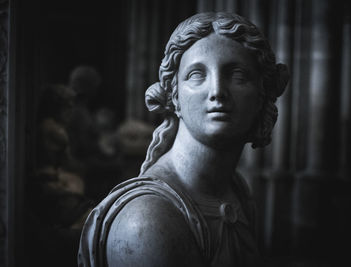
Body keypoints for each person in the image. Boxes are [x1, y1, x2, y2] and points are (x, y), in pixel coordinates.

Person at [78, 12, 288, 267]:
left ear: (261, 94)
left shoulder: (235, 191)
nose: (217, 92)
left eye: (238, 75)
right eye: (197, 74)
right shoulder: (147, 220)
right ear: (174, 95)